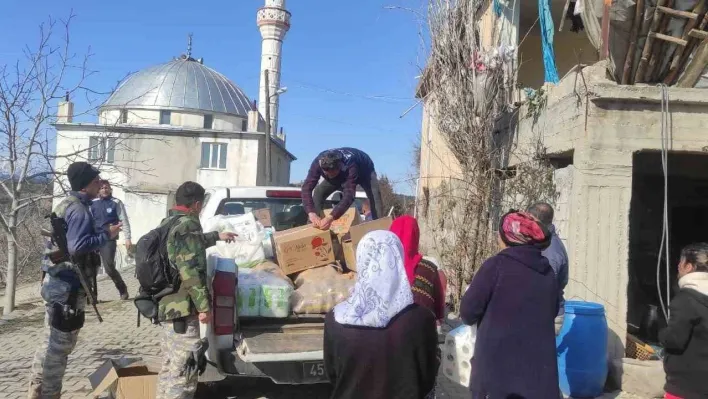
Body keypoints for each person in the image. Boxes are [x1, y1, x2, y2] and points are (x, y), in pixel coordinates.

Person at [28, 162, 122, 399]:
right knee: (59, 349)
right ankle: (47, 394)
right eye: (97, 181)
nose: (101, 185)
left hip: (57, 282)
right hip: (67, 287)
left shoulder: (66, 204)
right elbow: (77, 247)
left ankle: (36, 389)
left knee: (49, 342)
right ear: (87, 184)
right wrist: (106, 235)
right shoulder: (79, 209)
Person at [324, 230, 438, 399]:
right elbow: (427, 377)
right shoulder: (421, 319)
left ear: (361, 261)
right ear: (398, 260)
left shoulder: (336, 319)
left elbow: (333, 375)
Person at [460, 211, 558, 399]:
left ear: (508, 237)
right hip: (538, 379)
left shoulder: (495, 266)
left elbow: (467, 312)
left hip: (497, 379)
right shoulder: (548, 273)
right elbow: (551, 312)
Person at [155, 181, 235, 399]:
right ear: (197, 204)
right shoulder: (188, 225)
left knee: (171, 366)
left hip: (167, 304)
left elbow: (186, 246)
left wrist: (217, 236)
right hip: (182, 308)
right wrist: (204, 306)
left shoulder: (169, 221)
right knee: (186, 370)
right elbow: (189, 270)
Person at [659, 243, 708, 399]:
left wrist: (660, 333)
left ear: (689, 266)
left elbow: (675, 339)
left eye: (681, 262)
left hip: (685, 387)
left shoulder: (686, 299)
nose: (678, 266)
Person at [301, 148, 383, 230]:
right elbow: (306, 188)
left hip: (365, 170)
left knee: (374, 195)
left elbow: (349, 195)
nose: (331, 176)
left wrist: (331, 217)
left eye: (333, 173)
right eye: (328, 174)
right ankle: (313, 225)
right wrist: (311, 213)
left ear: (339, 166)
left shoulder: (350, 165)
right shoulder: (317, 163)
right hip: (341, 174)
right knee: (319, 192)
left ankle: (379, 227)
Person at [390, 215, 445, 322]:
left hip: (387, 333)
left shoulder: (381, 269)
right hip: (422, 331)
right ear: (416, 236)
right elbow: (439, 310)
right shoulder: (429, 268)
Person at [527, 202, 569, 335]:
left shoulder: (551, 252)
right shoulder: (543, 242)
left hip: (547, 316)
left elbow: (545, 288)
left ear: (535, 220)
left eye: (528, 220)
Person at [91, 180, 131, 300]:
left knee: (109, 267)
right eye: (102, 188)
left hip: (109, 239)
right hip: (94, 238)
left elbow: (124, 220)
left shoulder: (116, 203)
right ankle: (93, 296)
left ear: (110, 189)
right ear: (98, 190)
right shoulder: (92, 203)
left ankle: (122, 289)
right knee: (91, 268)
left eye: (107, 188)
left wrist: (128, 238)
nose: (104, 190)